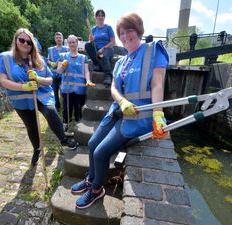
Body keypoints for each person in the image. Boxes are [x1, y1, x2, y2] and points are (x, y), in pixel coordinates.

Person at [71, 12, 169, 209]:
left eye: (129, 30)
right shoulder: (121, 62)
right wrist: (122, 101)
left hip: (137, 117)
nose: (125, 36)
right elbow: (114, 88)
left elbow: (158, 84)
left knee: (100, 153)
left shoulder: (153, 51)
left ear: (139, 30)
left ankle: (97, 189)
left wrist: (158, 114)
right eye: (121, 33)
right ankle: (91, 179)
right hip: (117, 112)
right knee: (91, 143)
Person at [0, 28, 78, 166]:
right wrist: (23, 87)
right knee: (32, 127)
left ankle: (63, 139)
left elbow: (50, 80)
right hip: (21, 101)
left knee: (51, 112)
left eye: (29, 42)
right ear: (16, 41)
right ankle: (37, 149)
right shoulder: (5, 58)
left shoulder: (39, 60)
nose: (25, 43)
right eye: (22, 40)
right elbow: (3, 81)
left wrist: (39, 79)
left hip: (42, 96)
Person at [57, 35, 95, 131]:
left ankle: (79, 124)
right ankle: (66, 123)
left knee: (79, 107)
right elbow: (59, 72)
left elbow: (86, 71)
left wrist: (88, 80)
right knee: (67, 107)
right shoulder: (63, 56)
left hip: (80, 88)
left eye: (73, 42)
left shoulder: (83, 58)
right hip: (67, 88)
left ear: (77, 43)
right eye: (70, 42)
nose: (72, 44)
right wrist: (62, 66)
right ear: (67, 44)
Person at [85, 9, 115, 87]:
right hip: (96, 49)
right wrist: (91, 40)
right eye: (98, 15)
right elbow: (90, 42)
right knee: (87, 45)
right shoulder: (93, 29)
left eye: (102, 15)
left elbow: (113, 42)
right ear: (95, 17)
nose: (100, 17)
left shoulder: (108, 28)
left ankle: (108, 76)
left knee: (103, 55)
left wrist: (104, 48)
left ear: (104, 17)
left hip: (107, 48)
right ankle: (97, 64)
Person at [47, 32, 69, 112]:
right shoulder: (50, 49)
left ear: (63, 39)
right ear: (55, 39)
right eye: (57, 38)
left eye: (60, 37)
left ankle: (65, 107)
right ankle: (57, 106)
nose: (59, 39)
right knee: (54, 90)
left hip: (64, 73)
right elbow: (48, 60)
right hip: (53, 73)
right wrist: (51, 63)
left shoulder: (67, 49)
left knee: (63, 91)